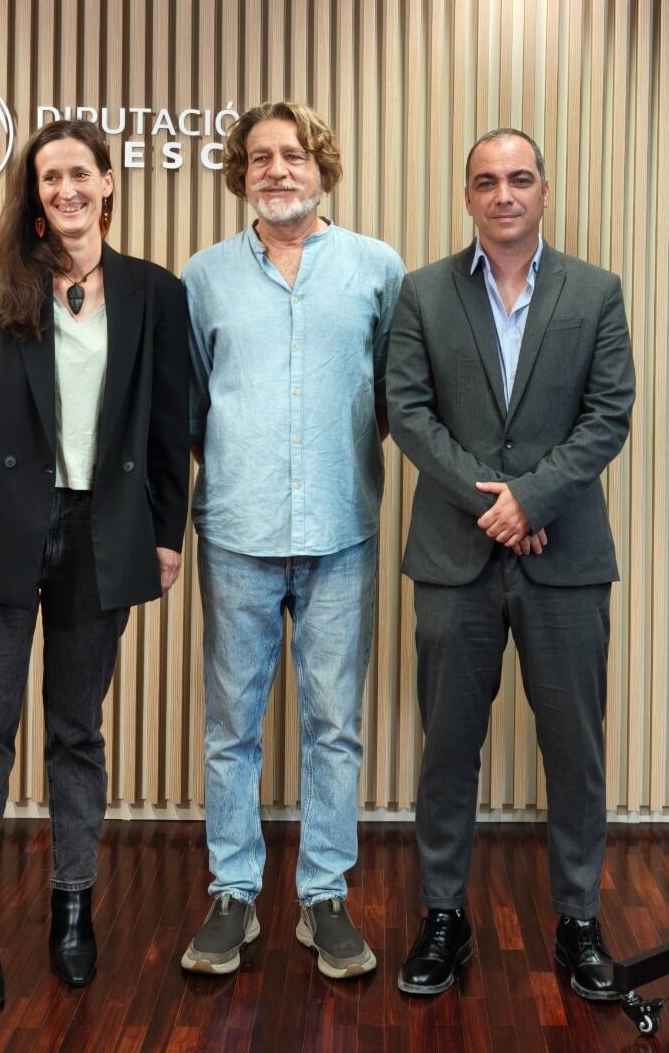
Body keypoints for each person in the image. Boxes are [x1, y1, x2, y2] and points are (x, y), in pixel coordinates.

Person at [0, 119, 191, 1007]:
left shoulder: (155, 293)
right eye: (49, 179)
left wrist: (165, 533)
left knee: (78, 733)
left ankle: (74, 911)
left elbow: (167, 427)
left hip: (101, 533)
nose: (66, 190)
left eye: (80, 174)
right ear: (34, 196)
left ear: (109, 184)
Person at [386, 128, 636, 1000]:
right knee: (448, 750)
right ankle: (444, 918)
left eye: (519, 179)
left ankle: (578, 921)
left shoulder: (594, 292)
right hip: (455, 560)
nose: (504, 195)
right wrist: (499, 505)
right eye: (487, 181)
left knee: (575, 751)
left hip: (566, 560)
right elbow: (410, 414)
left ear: (543, 190)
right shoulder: (420, 294)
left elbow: (608, 417)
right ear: (468, 197)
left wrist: (534, 500)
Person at [179, 101, 403, 980]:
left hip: (343, 530)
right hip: (235, 527)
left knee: (334, 724)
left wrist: (327, 469)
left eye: (297, 155)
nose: (279, 170)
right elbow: (192, 405)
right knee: (231, 724)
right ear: (241, 172)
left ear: (324, 168)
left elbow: (392, 395)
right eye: (262, 157)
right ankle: (233, 894)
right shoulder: (203, 277)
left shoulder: (376, 270)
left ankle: (324, 900)